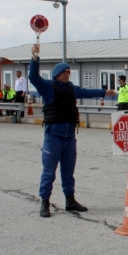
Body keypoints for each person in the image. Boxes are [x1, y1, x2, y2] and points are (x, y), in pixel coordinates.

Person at [29, 44, 116, 218]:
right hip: (53, 136)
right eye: (65, 71)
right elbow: (33, 76)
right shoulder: (47, 88)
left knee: (68, 172)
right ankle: (45, 202)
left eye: (69, 71)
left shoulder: (71, 88)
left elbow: (86, 92)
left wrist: (104, 92)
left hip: (69, 138)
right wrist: (35, 57)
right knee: (49, 172)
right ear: (56, 74)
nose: (68, 73)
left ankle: (70, 201)